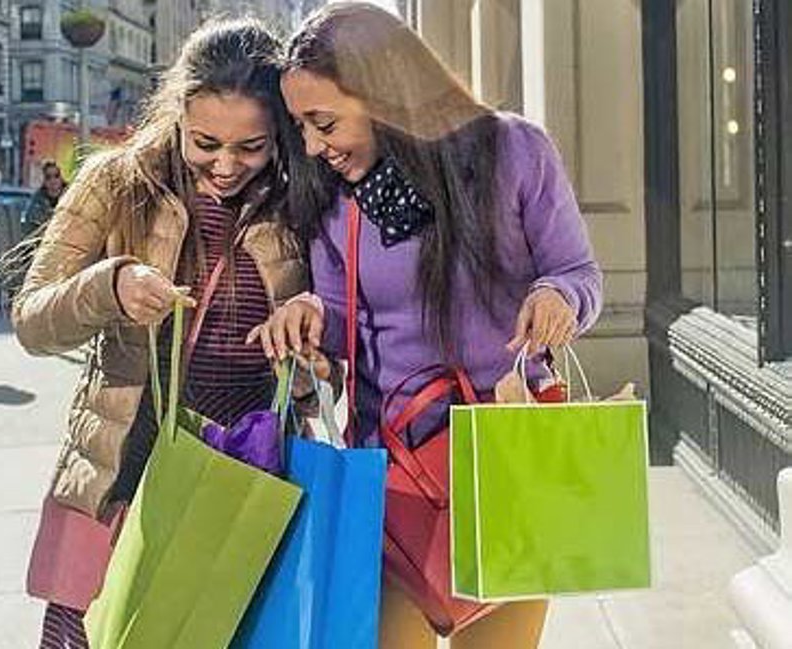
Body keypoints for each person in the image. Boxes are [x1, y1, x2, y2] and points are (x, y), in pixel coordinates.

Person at [248, 3, 603, 648]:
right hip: (391, 482)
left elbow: (578, 271)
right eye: (300, 126)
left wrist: (558, 297)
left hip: (510, 468)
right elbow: (341, 330)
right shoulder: (337, 202)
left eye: (322, 122)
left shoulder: (514, 150)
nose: (311, 146)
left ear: (384, 93)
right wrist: (309, 322)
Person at [10, 19, 322, 649]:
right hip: (121, 476)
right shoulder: (117, 182)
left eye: (251, 147)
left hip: (250, 478)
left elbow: (334, 357)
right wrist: (110, 285)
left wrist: (313, 329)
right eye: (206, 142)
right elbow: (33, 319)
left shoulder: (301, 196)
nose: (226, 166)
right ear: (177, 111)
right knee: (94, 634)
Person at [22, 160, 67, 235]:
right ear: (43, 181)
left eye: (56, 176)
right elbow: (30, 233)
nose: (53, 181)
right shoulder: (36, 203)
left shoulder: (72, 197)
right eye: (48, 177)